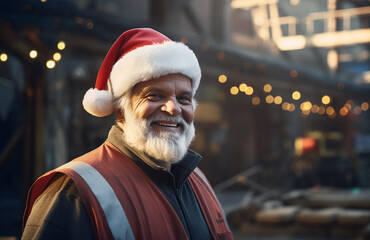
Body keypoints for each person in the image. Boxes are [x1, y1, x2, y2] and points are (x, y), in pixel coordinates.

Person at [22, 28, 233, 240]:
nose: (174, 108)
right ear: (121, 110)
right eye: (155, 95)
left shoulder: (198, 180)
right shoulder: (72, 193)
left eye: (184, 98)